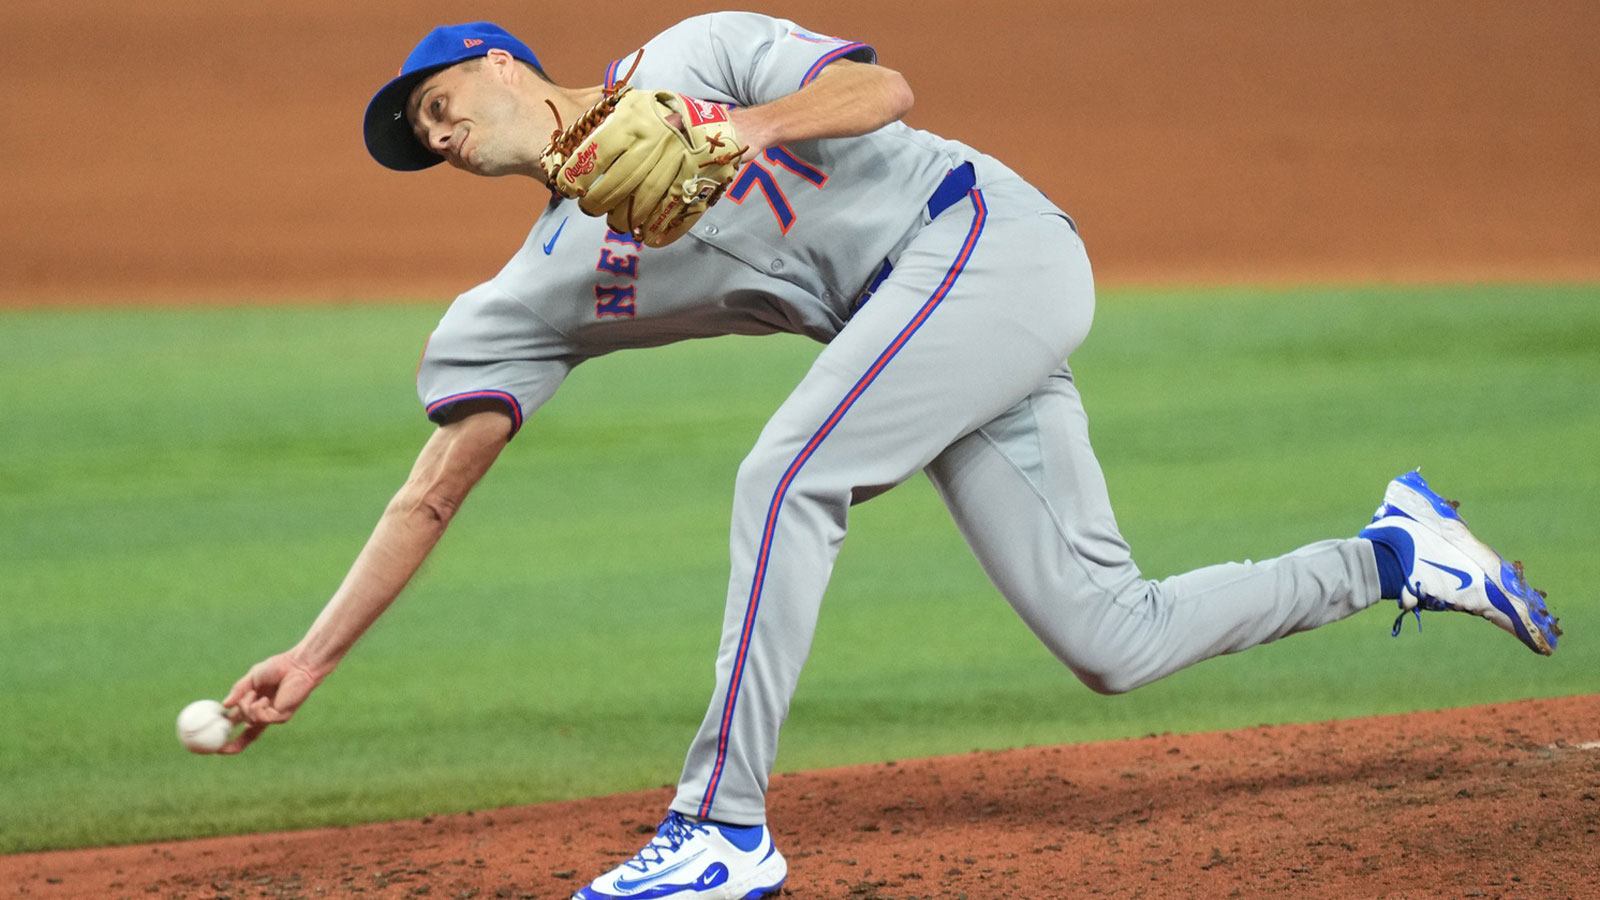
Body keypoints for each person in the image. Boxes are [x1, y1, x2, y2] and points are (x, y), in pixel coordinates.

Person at [221, 15, 1561, 900]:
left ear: (504, 61)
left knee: (787, 473)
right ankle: (1396, 553)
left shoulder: (698, 47)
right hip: (931, 334)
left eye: (442, 104)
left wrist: (740, 128)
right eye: (426, 142)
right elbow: (431, 490)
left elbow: (884, 88)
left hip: (986, 237)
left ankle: (720, 829)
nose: (442, 136)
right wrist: (315, 656)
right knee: (1115, 637)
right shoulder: (532, 293)